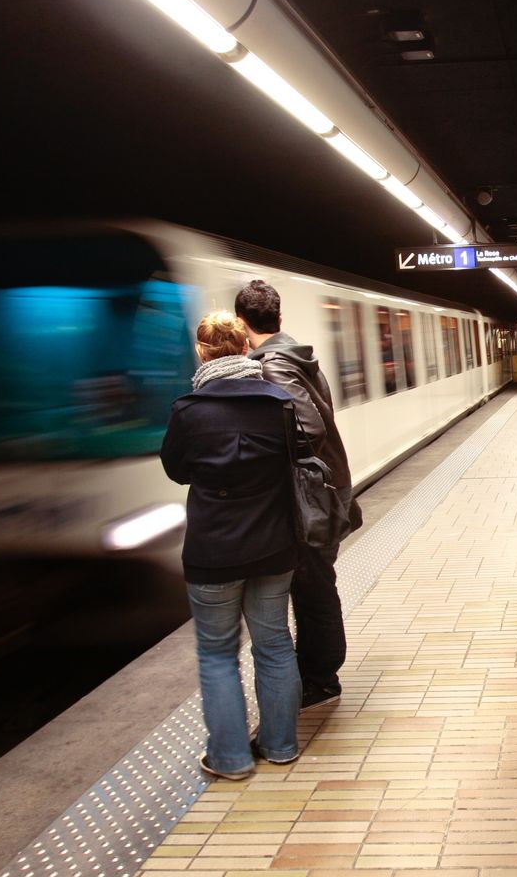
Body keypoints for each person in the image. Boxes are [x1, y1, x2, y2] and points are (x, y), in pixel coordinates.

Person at [160, 311, 302, 780]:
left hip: (213, 552)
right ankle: (281, 746)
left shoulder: (188, 410)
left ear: (202, 352)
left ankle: (231, 758)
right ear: (246, 348)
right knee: (275, 644)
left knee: (218, 654)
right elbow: (297, 459)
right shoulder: (279, 402)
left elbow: (177, 470)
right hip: (274, 544)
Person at [235, 279, 356, 710]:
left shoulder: (271, 366)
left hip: (311, 499)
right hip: (326, 488)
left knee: (313, 588)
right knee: (316, 585)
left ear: (240, 322)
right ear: (279, 317)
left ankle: (320, 680)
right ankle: (320, 672)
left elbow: (311, 428)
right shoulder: (297, 355)